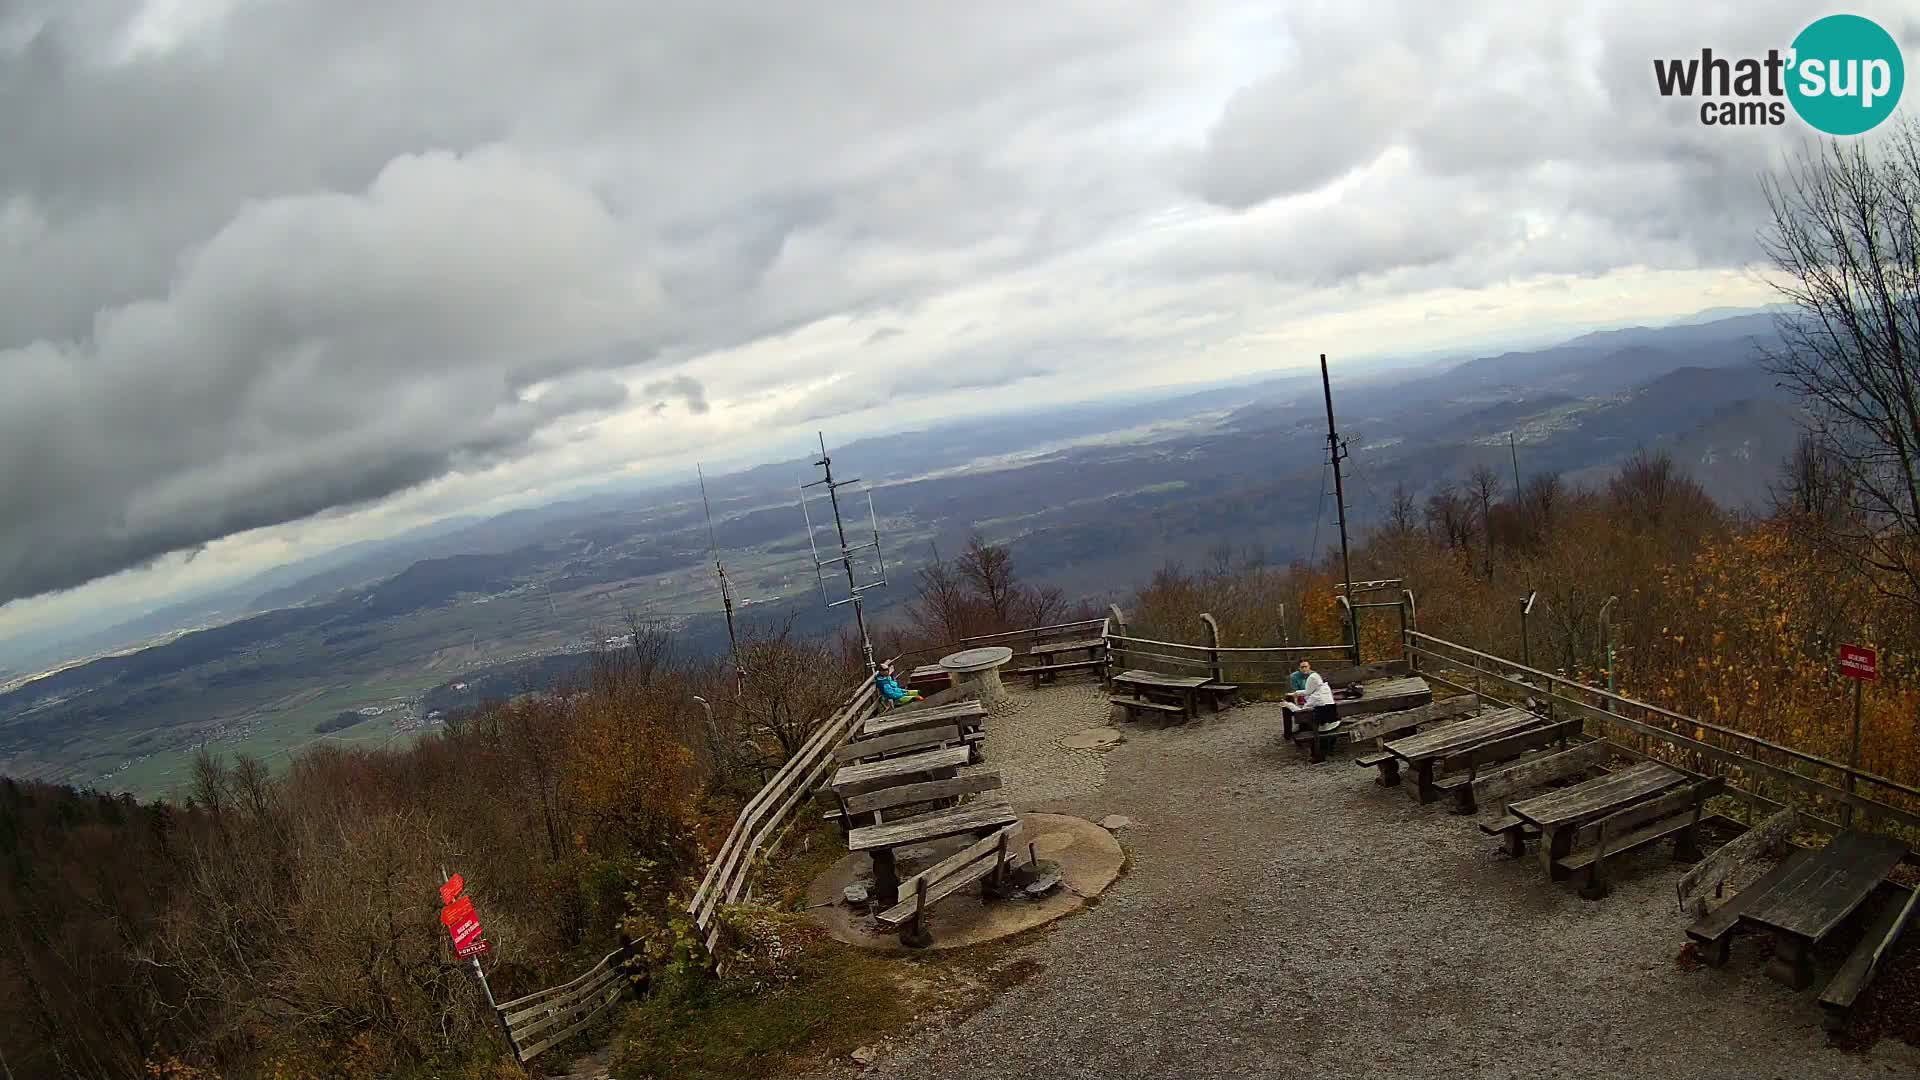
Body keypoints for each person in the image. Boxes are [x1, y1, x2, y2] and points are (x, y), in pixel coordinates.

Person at [1300, 665, 1340, 733]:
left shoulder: (1315, 697)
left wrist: (1288, 705)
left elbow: (1303, 711)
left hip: (1321, 728)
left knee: (1304, 718)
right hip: (1334, 723)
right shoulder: (1326, 689)